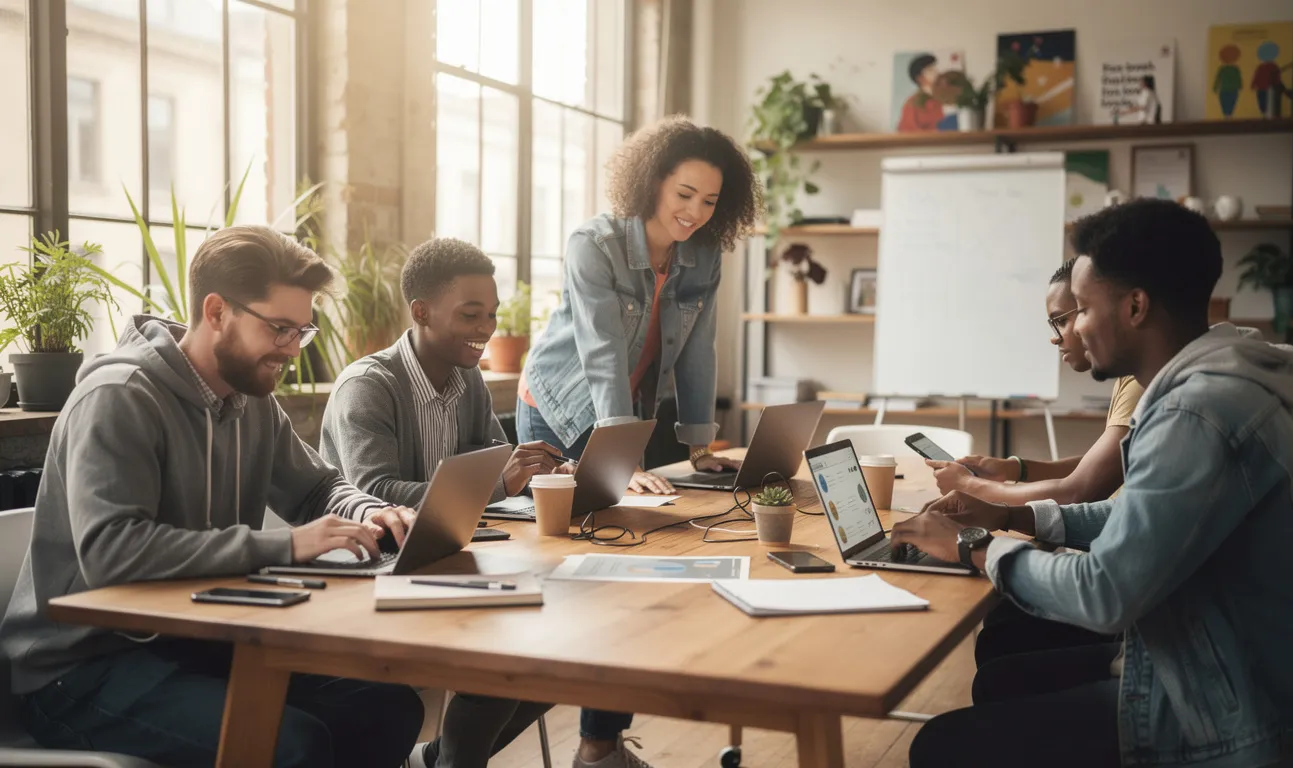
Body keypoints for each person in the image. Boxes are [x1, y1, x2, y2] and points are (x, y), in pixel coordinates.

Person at [894, 199, 1293, 767]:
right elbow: (1140, 521)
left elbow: (1105, 595)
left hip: (1239, 720)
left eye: (1081, 309)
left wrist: (976, 546)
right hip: (1225, 676)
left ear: (1135, 307)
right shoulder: (1213, 386)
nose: (1074, 328)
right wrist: (1009, 517)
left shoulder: (1197, 413)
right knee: (1003, 675)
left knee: (940, 747)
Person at [0, 226, 425, 768]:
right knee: (294, 744)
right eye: (279, 329)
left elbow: (316, 485)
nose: (292, 350)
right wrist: (285, 546)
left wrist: (369, 510)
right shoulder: (119, 398)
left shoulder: (251, 400)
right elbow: (113, 554)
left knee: (386, 709)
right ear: (218, 311)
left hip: (188, 644)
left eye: (302, 332)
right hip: (80, 668)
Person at [517, 115, 760, 767]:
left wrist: (701, 443)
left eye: (710, 201)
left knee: (624, 565)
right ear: (652, 181)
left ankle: (599, 744)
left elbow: (699, 350)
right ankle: (486, 736)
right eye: (684, 194)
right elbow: (599, 354)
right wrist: (619, 457)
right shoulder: (590, 244)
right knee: (581, 566)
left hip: (626, 416)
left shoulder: (703, 254)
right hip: (560, 407)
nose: (695, 213)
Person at [320, 236, 560, 768]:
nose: (485, 329)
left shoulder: (467, 378)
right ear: (421, 312)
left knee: (558, 651)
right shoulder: (368, 385)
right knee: (505, 656)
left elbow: (479, 467)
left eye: (492, 315)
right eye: (470, 314)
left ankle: (440, 760)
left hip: (446, 555)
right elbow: (372, 492)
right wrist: (500, 480)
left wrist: (520, 470)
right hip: (371, 568)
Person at [927, 257, 1142, 666]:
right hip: (1126, 593)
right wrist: (1015, 470)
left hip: (1134, 619)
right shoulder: (1134, 379)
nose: (1066, 333)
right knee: (1004, 628)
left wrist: (973, 490)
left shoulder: (1150, 389)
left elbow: (1080, 489)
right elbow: (1100, 466)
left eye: (1068, 317)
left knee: (1003, 635)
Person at [897, 53, 947, 132]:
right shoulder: (912, 104)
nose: (937, 72)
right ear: (920, 78)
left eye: (935, 68)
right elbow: (906, 134)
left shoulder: (945, 98)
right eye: (930, 70)